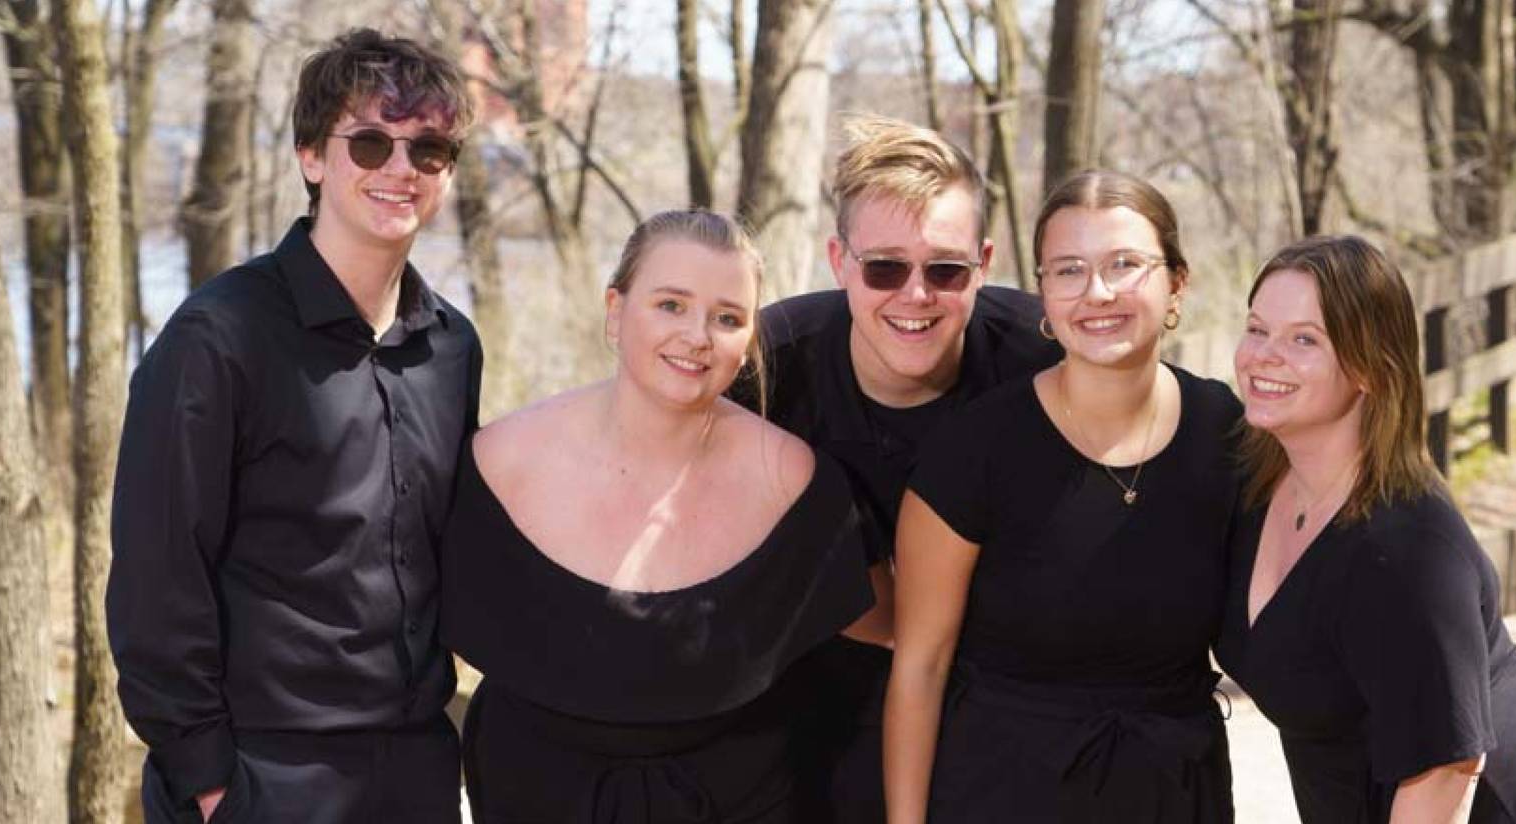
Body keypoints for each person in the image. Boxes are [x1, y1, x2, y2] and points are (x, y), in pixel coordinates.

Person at [108, 29, 478, 824]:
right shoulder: (218, 336)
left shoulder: (453, 348)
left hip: (415, 766)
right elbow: (155, 575)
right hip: (261, 774)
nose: (399, 170)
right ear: (312, 155)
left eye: (429, 150)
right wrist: (210, 782)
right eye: (371, 143)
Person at [441, 210, 880, 823]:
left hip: (747, 802)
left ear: (749, 340)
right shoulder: (498, 462)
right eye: (671, 304)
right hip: (531, 796)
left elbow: (892, 646)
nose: (698, 335)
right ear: (615, 311)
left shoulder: (796, 484)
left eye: (727, 318)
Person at [1215, 235, 1516, 823]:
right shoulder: (1255, 484)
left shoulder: (1403, 546)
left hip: (1513, 804)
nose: (1264, 355)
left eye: (1304, 339)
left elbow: (1446, 769)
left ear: (1367, 366)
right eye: (1257, 329)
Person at [886, 170, 1240, 823]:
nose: (1097, 292)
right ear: (1043, 293)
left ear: (1176, 284)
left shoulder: (1224, 430)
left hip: (1173, 788)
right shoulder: (976, 448)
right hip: (1004, 791)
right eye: (1069, 270)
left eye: (1125, 264)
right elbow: (920, 668)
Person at [750, 113, 1060, 821]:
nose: (915, 295)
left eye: (945, 269)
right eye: (885, 267)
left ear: (983, 262)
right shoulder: (765, 368)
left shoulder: (1046, 361)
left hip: (995, 705)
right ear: (838, 261)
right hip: (804, 708)